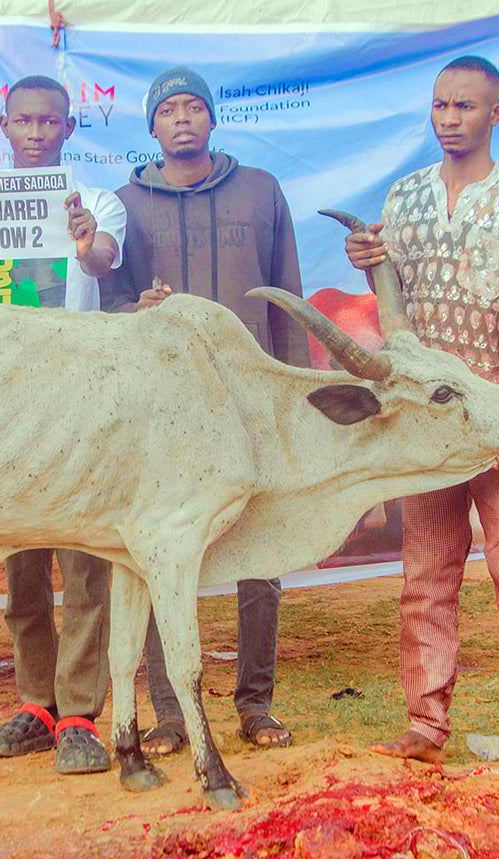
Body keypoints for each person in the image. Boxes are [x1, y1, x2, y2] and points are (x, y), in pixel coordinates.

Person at [344, 56, 499, 774]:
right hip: (431, 425)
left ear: (495, 114)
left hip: (497, 418)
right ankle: (425, 725)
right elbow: (394, 310)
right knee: (426, 576)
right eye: (440, 106)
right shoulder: (404, 198)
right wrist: (366, 255)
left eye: (464, 107)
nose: (448, 119)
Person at [100, 65, 309, 755]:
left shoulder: (261, 190)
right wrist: (140, 309)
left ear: (212, 119)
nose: (182, 118)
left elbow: (288, 294)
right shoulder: (125, 202)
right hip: (162, 411)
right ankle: (166, 711)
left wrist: (296, 395)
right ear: (152, 125)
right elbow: (111, 307)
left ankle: (256, 703)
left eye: (194, 106)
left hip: (251, 399)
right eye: (169, 110)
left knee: (263, 552)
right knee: (160, 551)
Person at [0, 75, 126, 774]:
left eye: (49, 122)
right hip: (7, 402)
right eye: (24, 122)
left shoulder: (98, 200)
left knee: (83, 559)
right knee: (22, 563)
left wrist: (85, 240)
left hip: (77, 399)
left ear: (70, 127)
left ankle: (79, 714)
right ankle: (35, 705)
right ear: (3, 125)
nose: (36, 133)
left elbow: (102, 260)